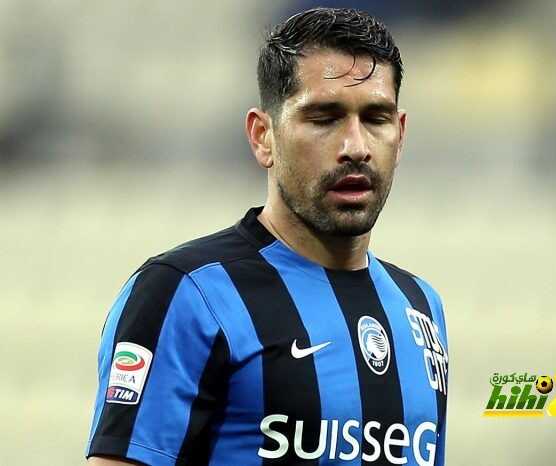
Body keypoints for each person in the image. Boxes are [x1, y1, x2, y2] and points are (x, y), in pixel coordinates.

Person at [86, 7, 448, 466]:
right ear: (264, 137)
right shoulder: (185, 294)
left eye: (375, 118)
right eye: (323, 118)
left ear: (399, 134)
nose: (355, 147)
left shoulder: (422, 308)